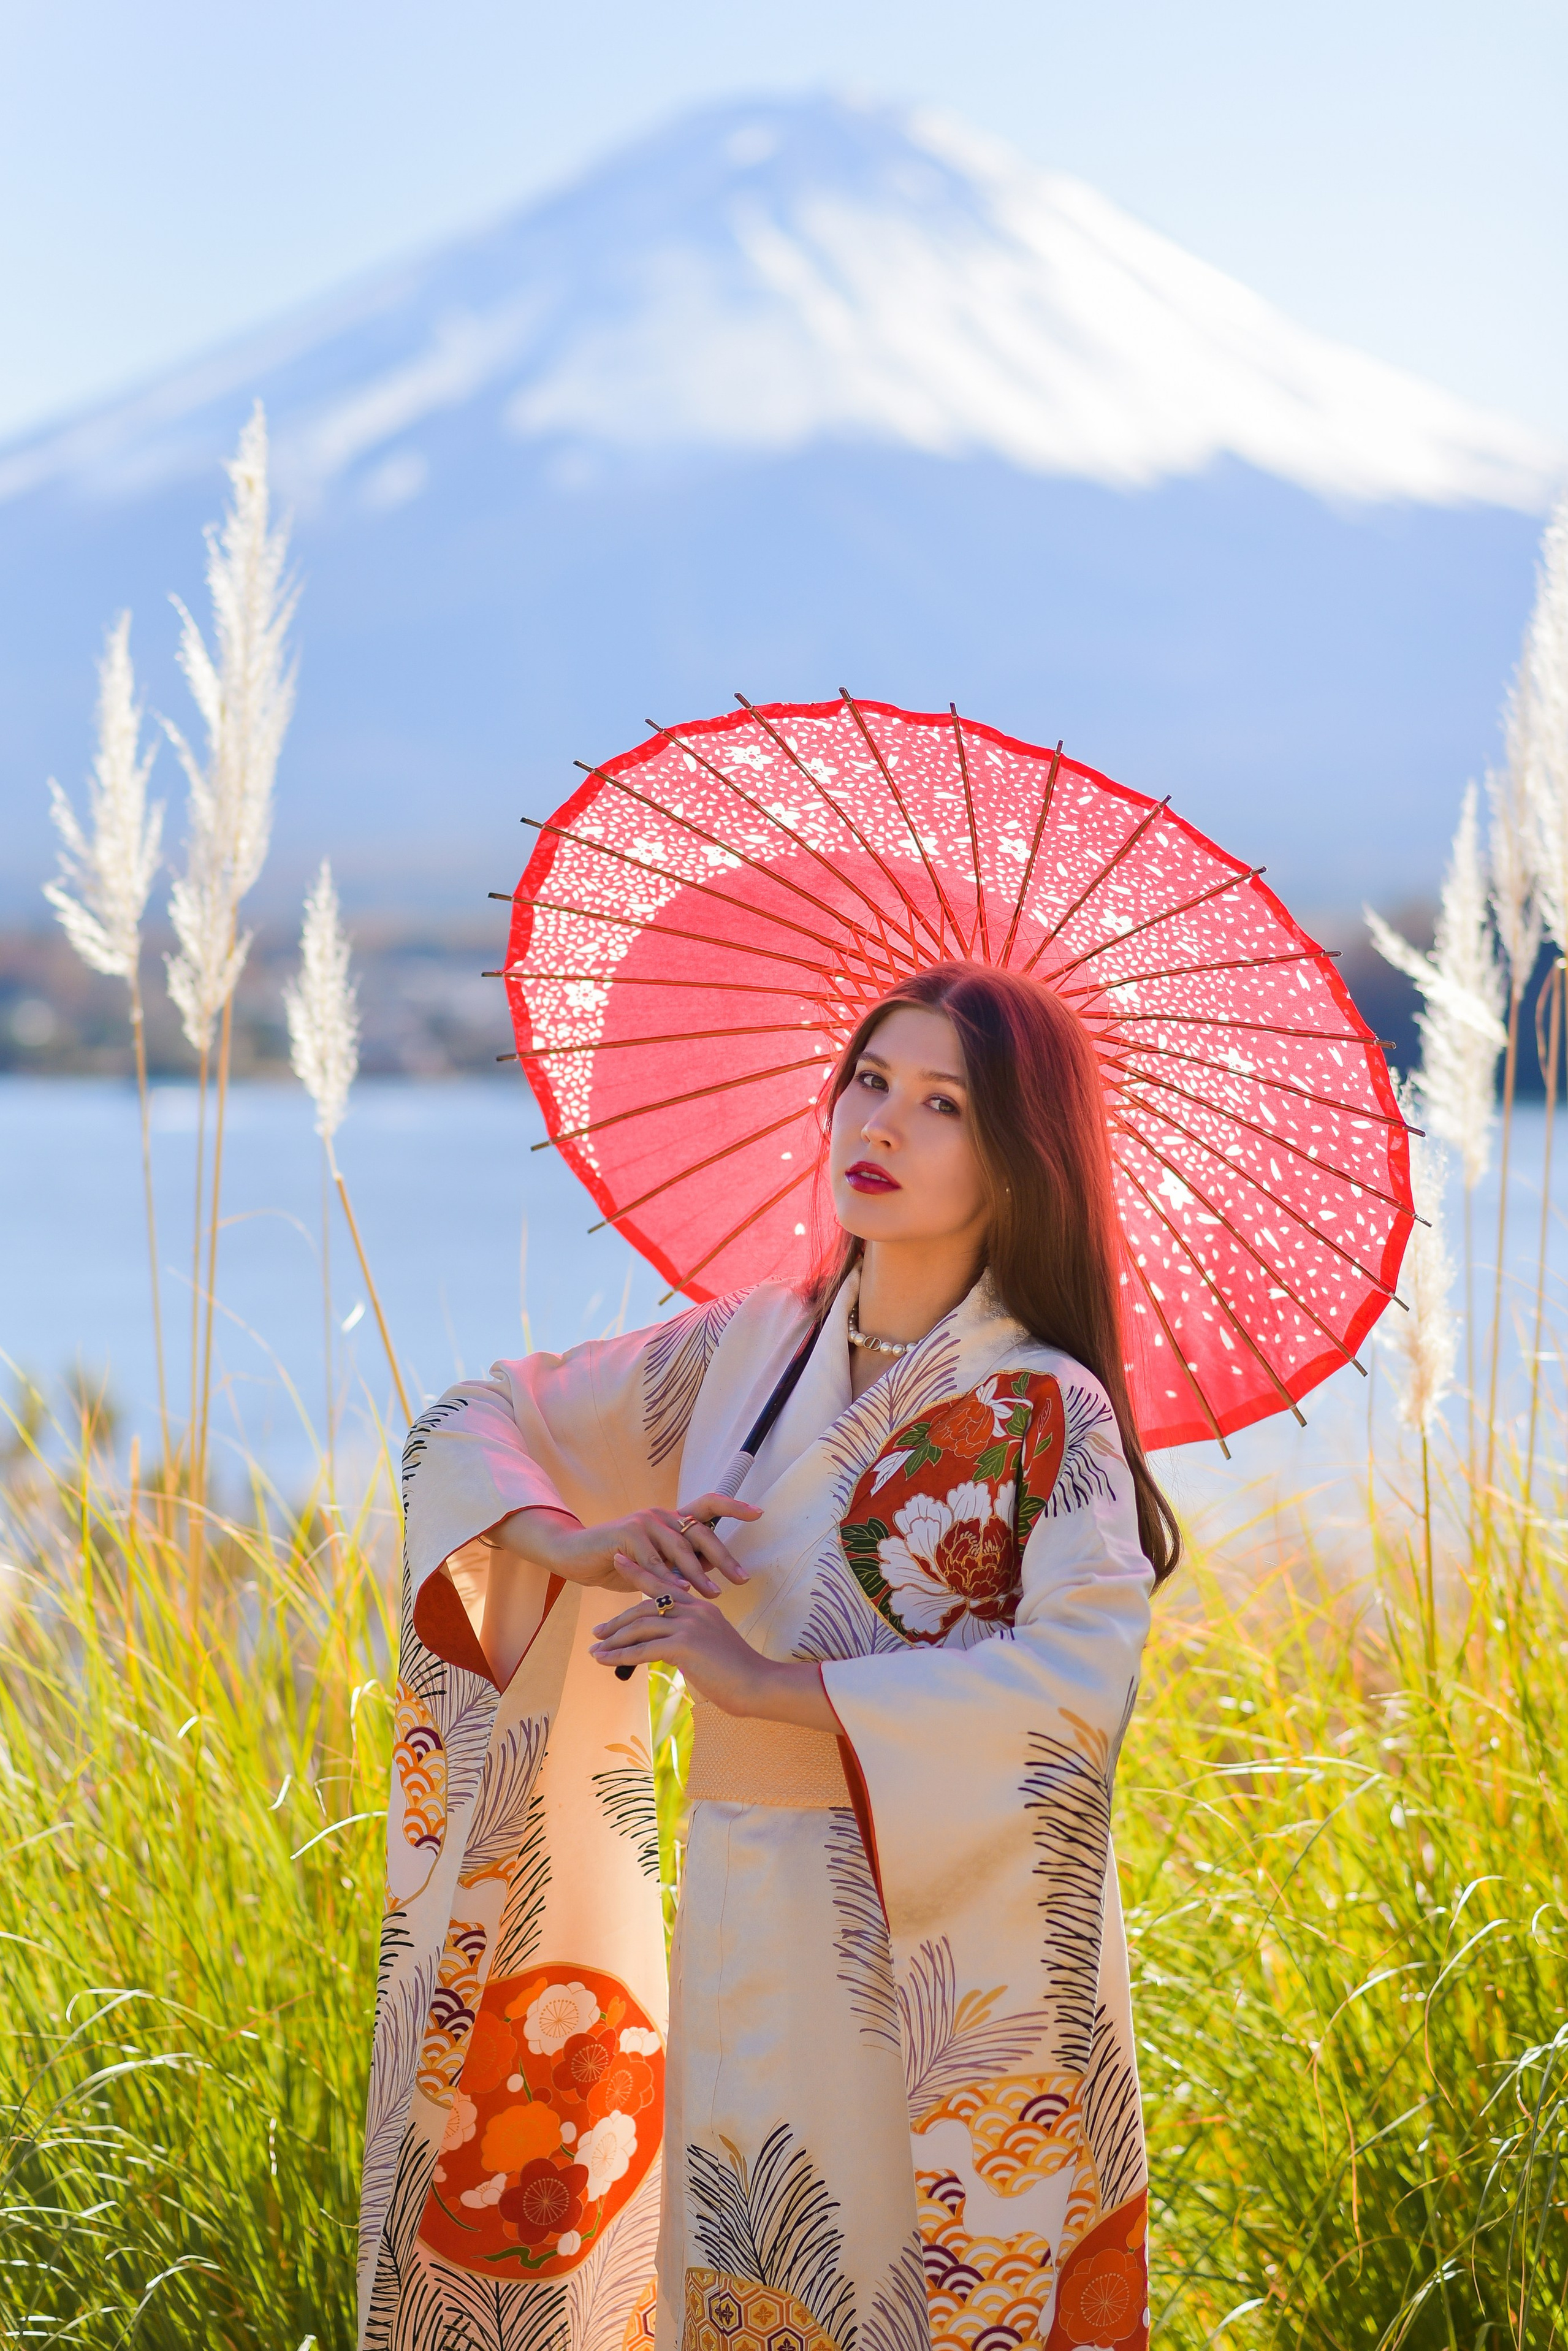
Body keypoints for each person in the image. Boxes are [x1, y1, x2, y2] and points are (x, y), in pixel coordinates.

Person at [359, 959, 1179, 2351]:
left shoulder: (1047, 1403)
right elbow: (474, 1415)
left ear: (1018, 1158)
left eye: (942, 1104)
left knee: (906, 2281)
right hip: (743, 1888)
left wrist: (765, 1687)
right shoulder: (740, 1354)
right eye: (870, 1081)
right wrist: (578, 1542)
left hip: (938, 1954)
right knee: (738, 2278)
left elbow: (1076, 1678)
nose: (882, 1125)